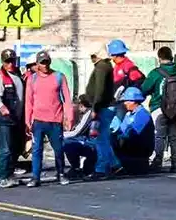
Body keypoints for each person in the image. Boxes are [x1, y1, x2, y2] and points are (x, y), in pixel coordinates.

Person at [24, 50, 73, 187]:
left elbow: (67, 100)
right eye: (42, 63)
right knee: (37, 149)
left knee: (58, 149)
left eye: (46, 62)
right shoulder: (32, 79)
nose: (44, 65)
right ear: (37, 64)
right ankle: (35, 177)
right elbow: (29, 102)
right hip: (38, 121)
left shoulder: (59, 77)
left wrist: (69, 117)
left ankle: (61, 173)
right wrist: (27, 121)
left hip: (55, 120)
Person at [141, 46, 176, 172]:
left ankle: (157, 162)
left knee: (159, 135)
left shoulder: (155, 73)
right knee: (174, 136)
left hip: (159, 108)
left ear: (159, 58)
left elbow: (145, 88)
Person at [85, 45, 122, 181]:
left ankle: (101, 169)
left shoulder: (101, 67)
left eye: (93, 56)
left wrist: (95, 108)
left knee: (100, 140)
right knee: (103, 139)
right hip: (105, 106)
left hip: (103, 107)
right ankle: (114, 164)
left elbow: (99, 90)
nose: (92, 59)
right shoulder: (106, 66)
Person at [0, 48, 25, 188]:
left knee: (15, 147)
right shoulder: (0, 77)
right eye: (7, 61)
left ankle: (10, 173)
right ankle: (2, 176)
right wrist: (2, 108)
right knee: (5, 148)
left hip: (17, 118)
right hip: (5, 118)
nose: (10, 64)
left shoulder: (18, 75)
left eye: (12, 61)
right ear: (3, 62)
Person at [113, 87, 155, 175]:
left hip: (139, 149)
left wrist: (120, 137)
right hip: (131, 146)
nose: (124, 103)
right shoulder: (129, 114)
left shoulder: (142, 114)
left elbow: (134, 133)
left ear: (133, 101)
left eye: (126, 101)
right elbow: (122, 129)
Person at [63, 95, 95, 179]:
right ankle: (75, 168)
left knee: (68, 144)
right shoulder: (85, 115)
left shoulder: (89, 114)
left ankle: (76, 168)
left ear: (82, 105)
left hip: (91, 143)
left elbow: (77, 132)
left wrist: (62, 135)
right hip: (87, 140)